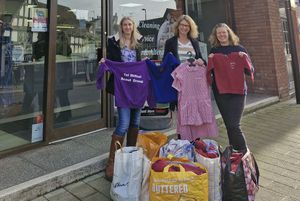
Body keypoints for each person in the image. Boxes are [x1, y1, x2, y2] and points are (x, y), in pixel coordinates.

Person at [99, 16, 143, 181]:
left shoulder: (138, 43)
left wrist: (144, 63)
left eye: (130, 24)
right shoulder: (114, 42)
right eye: (124, 24)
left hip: (136, 87)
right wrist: (105, 62)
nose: (127, 27)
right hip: (122, 87)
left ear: (133, 26)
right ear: (121, 27)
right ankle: (112, 162)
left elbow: (139, 62)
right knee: (123, 123)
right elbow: (111, 60)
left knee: (135, 122)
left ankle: (129, 157)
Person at [207, 23, 254, 153]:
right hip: (221, 93)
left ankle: (244, 154)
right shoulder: (214, 51)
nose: (222, 35)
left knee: (234, 125)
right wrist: (208, 60)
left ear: (228, 33)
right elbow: (209, 73)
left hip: (238, 92)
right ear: (216, 36)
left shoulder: (239, 48)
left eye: (224, 32)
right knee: (229, 125)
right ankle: (235, 152)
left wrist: (243, 58)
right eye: (219, 33)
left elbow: (250, 70)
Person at [163, 15, 206, 138]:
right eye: (182, 25)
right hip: (179, 83)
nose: (184, 28)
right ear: (178, 26)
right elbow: (166, 62)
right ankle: (183, 143)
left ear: (190, 27)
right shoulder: (170, 42)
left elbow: (201, 59)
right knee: (182, 114)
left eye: (187, 26)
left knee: (195, 112)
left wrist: (202, 61)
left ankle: (196, 142)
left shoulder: (194, 42)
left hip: (194, 83)